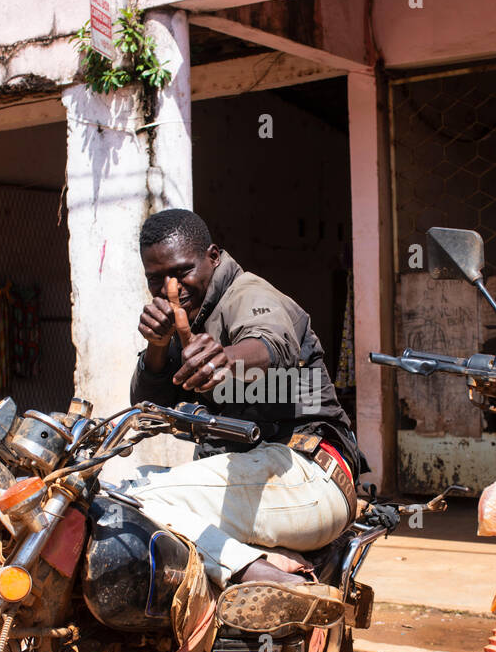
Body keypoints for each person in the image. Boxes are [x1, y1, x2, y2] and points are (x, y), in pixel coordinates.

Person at [125, 208, 362, 591]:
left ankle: (260, 575)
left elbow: (271, 344)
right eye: (157, 279)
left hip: (308, 473)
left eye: (182, 271)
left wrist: (225, 359)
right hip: (251, 476)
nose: (171, 288)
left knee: (140, 502)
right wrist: (156, 346)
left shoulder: (248, 294)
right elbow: (148, 409)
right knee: (117, 493)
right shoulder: (184, 317)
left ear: (213, 257)